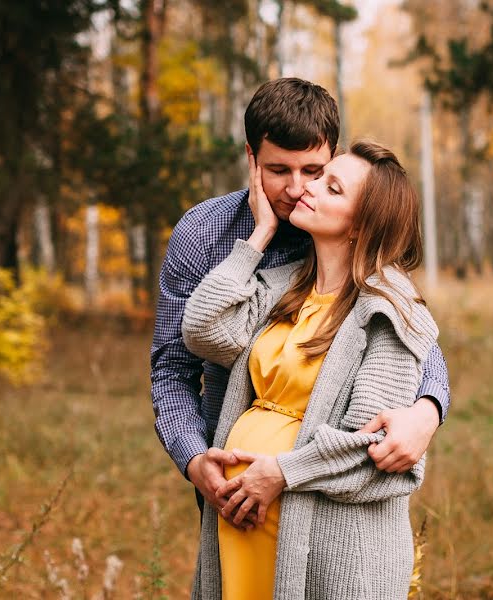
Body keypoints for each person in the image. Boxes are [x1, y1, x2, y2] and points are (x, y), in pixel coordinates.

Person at [150, 78, 450, 526]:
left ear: (332, 157)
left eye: (313, 171)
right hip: (233, 491)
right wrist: (194, 459)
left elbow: (408, 330)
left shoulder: (345, 230)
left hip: (326, 503)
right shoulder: (203, 235)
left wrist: (427, 411)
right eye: (278, 170)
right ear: (251, 159)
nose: (296, 189)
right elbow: (173, 366)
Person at [182, 140, 438, 598]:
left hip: (324, 548)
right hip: (245, 529)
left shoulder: (389, 310)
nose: (307, 188)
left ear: (361, 226)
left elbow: (374, 449)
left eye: (331, 186)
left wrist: (280, 473)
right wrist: (259, 235)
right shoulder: (282, 286)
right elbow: (202, 330)